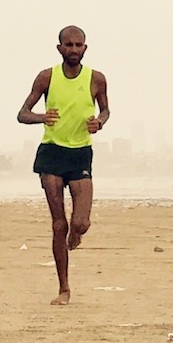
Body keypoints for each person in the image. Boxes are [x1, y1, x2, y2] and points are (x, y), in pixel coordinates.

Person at [16, 26, 110, 304]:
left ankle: (75, 233)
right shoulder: (47, 77)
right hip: (52, 153)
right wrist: (42, 117)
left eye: (78, 45)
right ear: (59, 48)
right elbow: (22, 113)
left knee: (80, 223)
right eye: (68, 45)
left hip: (80, 153)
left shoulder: (96, 79)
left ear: (85, 48)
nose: (73, 49)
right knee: (59, 225)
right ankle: (64, 289)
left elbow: (105, 110)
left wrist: (99, 123)